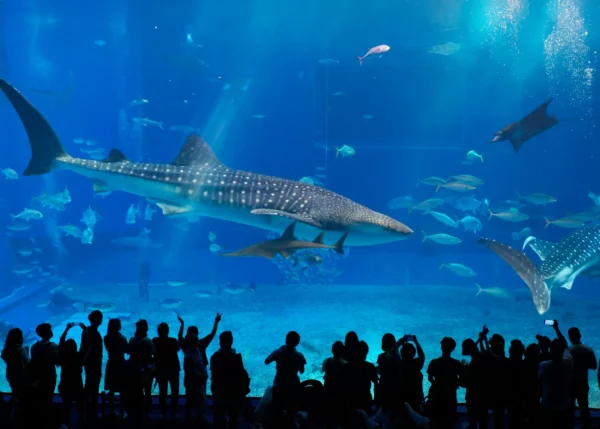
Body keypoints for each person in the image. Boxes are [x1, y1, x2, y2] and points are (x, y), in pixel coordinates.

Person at [265, 331, 307, 428]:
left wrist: (278, 353)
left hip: (279, 385)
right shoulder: (300, 356)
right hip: (293, 387)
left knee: (277, 410)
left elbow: (266, 361)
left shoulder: (278, 352)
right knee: (290, 412)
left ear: (286, 340)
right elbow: (302, 371)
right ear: (297, 343)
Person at [210, 331, 250, 429]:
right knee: (233, 417)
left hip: (219, 390)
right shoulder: (235, 357)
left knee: (219, 416)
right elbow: (242, 374)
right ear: (231, 342)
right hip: (233, 391)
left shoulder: (214, 356)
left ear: (220, 342)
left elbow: (214, 375)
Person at [426, 337, 461, 429]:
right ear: (453, 348)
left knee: (435, 420)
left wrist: (437, 385)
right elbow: (460, 380)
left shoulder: (434, 362)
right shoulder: (456, 363)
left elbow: (430, 378)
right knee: (449, 421)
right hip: (450, 396)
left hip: (436, 395)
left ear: (441, 347)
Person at [565, 326, 596, 429]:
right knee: (584, 408)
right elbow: (594, 366)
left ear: (569, 337)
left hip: (571, 384)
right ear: (580, 335)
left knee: (569, 408)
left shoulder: (568, 351)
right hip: (583, 383)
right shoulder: (589, 350)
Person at [57, 322, 87, 426]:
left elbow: (61, 342)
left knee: (66, 406)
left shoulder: (62, 356)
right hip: (77, 384)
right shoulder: (78, 357)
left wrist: (66, 329)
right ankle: (82, 422)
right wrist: (85, 330)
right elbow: (85, 345)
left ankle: (65, 424)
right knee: (80, 405)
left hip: (65, 384)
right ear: (75, 347)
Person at [538, 338, 573, 429]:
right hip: (564, 403)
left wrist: (543, 349)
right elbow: (565, 347)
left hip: (547, 403)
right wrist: (556, 328)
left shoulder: (544, 365)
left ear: (550, 349)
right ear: (562, 350)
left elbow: (539, 380)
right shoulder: (568, 363)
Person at [29, 323, 59, 426]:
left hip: (37, 378)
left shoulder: (34, 346)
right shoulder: (54, 346)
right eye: (50, 330)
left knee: (39, 399)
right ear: (46, 333)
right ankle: (47, 421)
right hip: (49, 377)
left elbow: (33, 363)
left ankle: (38, 421)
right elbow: (58, 362)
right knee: (48, 398)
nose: (51, 331)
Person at [127, 319, 155, 419]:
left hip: (133, 369)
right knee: (147, 392)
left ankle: (135, 412)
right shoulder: (149, 341)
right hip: (146, 369)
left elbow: (128, 352)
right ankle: (146, 414)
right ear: (146, 329)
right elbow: (153, 354)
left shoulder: (132, 340)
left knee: (134, 391)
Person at [152, 321, 180, 420]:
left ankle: (163, 412)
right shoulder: (173, 341)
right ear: (168, 331)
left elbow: (153, 353)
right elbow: (178, 348)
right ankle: (173, 412)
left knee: (162, 391)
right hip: (173, 369)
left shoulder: (155, 341)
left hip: (161, 370)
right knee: (174, 392)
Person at [1, 328, 30, 420]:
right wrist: (26, 351)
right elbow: (28, 362)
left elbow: (5, 358)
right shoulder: (20, 350)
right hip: (20, 375)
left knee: (14, 393)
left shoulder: (5, 349)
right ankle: (16, 415)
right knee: (20, 395)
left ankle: (9, 413)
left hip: (10, 374)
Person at [81, 309, 103, 419]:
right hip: (94, 363)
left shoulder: (86, 330)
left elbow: (83, 346)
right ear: (99, 320)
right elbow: (91, 347)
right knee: (94, 388)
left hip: (87, 363)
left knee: (88, 385)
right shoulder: (94, 333)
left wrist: (82, 360)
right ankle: (93, 411)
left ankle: (85, 409)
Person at [103, 318, 128, 416]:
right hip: (121, 363)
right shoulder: (122, 338)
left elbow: (109, 349)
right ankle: (123, 410)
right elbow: (126, 350)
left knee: (111, 389)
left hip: (111, 363)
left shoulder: (106, 338)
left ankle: (112, 410)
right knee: (122, 389)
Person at [398, 335, 425, 412]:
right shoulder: (416, 364)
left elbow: (390, 356)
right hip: (415, 397)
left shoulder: (399, 364)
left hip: (401, 397)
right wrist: (416, 342)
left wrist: (399, 343)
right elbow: (422, 356)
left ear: (401, 353)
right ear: (413, 353)